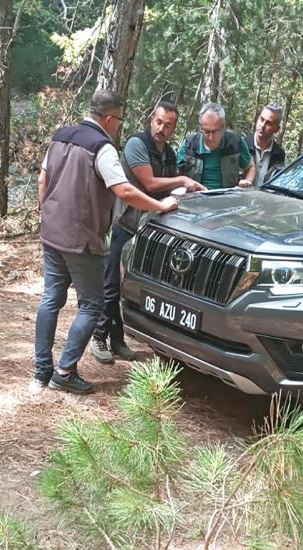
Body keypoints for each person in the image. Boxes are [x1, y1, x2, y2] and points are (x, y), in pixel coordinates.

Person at [34, 90, 178, 394]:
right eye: (120, 120)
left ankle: (41, 370)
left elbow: (42, 179)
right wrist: (160, 206)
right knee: (92, 304)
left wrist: (43, 211)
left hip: (51, 232)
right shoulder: (103, 148)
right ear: (109, 118)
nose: (119, 126)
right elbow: (124, 190)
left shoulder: (60, 135)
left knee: (51, 299)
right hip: (82, 239)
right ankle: (64, 370)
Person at [90, 101, 205, 364]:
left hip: (148, 232)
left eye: (168, 125)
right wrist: (182, 180)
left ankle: (117, 340)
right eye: (158, 122)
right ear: (151, 119)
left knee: (128, 287)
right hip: (123, 225)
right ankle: (99, 336)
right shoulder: (136, 145)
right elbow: (149, 183)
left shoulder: (169, 154)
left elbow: (164, 192)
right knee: (110, 285)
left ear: (174, 127)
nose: (161, 128)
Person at [177, 102, 255, 189]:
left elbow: (250, 167)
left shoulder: (235, 143)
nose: (210, 137)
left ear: (223, 126)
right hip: (196, 197)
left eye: (214, 131)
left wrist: (247, 182)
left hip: (227, 198)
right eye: (206, 131)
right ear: (200, 127)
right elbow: (176, 173)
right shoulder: (189, 144)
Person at [245, 103, 286, 187]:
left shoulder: (279, 154)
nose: (262, 125)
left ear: (277, 129)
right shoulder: (243, 145)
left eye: (269, 123)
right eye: (261, 119)